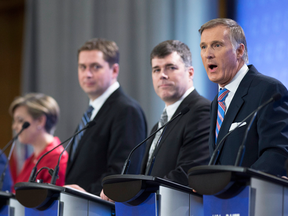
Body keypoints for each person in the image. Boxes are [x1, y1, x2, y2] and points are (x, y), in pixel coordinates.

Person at [199, 18, 288, 176]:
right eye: (203, 47)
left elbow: (277, 153)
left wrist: (236, 184)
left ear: (239, 51)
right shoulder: (217, 102)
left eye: (217, 45)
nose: (208, 54)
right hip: (222, 199)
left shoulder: (269, 91)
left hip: (252, 196)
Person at [65, 38, 147, 198]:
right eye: (82, 67)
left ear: (114, 70)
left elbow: (122, 172)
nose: (87, 74)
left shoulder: (127, 110)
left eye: (95, 67)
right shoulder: (92, 111)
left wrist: (85, 195)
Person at [139, 40, 210, 186]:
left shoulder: (202, 112)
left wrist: (138, 191)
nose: (162, 75)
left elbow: (188, 172)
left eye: (171, 67)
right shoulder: (157, 126)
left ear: (190, 73)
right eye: (156, 69)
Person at [9, 93, 68, 192]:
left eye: (20, 120)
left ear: (40, 121)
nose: (14, 127)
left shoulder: (57, 158)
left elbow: (51, 202)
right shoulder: (32, 159)